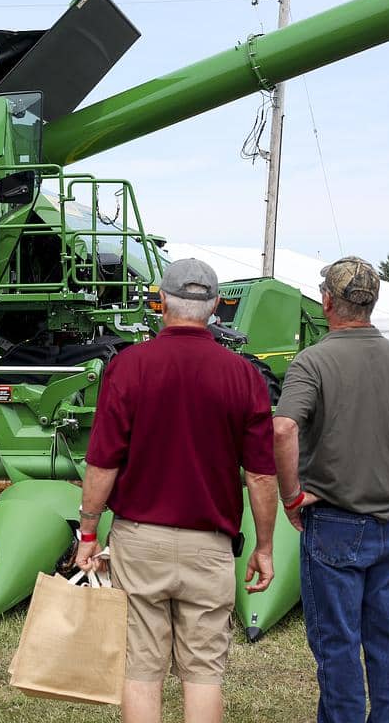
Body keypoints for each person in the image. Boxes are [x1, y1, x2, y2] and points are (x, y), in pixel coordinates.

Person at [75, 258, 278, 723]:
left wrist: (88, 531)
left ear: (161, 301)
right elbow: (261, 476)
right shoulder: (244, 375)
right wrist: (265, 546)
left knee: (141, 669)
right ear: (215, 306)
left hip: (139, 539)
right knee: (203, 672)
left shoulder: (128, 366)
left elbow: (102, 462)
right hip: (210, 544)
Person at [273, 256, 389, 723]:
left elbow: (282, 428)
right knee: (385, 643)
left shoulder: (313, 361)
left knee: (337, 645)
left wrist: (291, 497)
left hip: (334, 523)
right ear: (373, 303)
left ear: (327, 302)